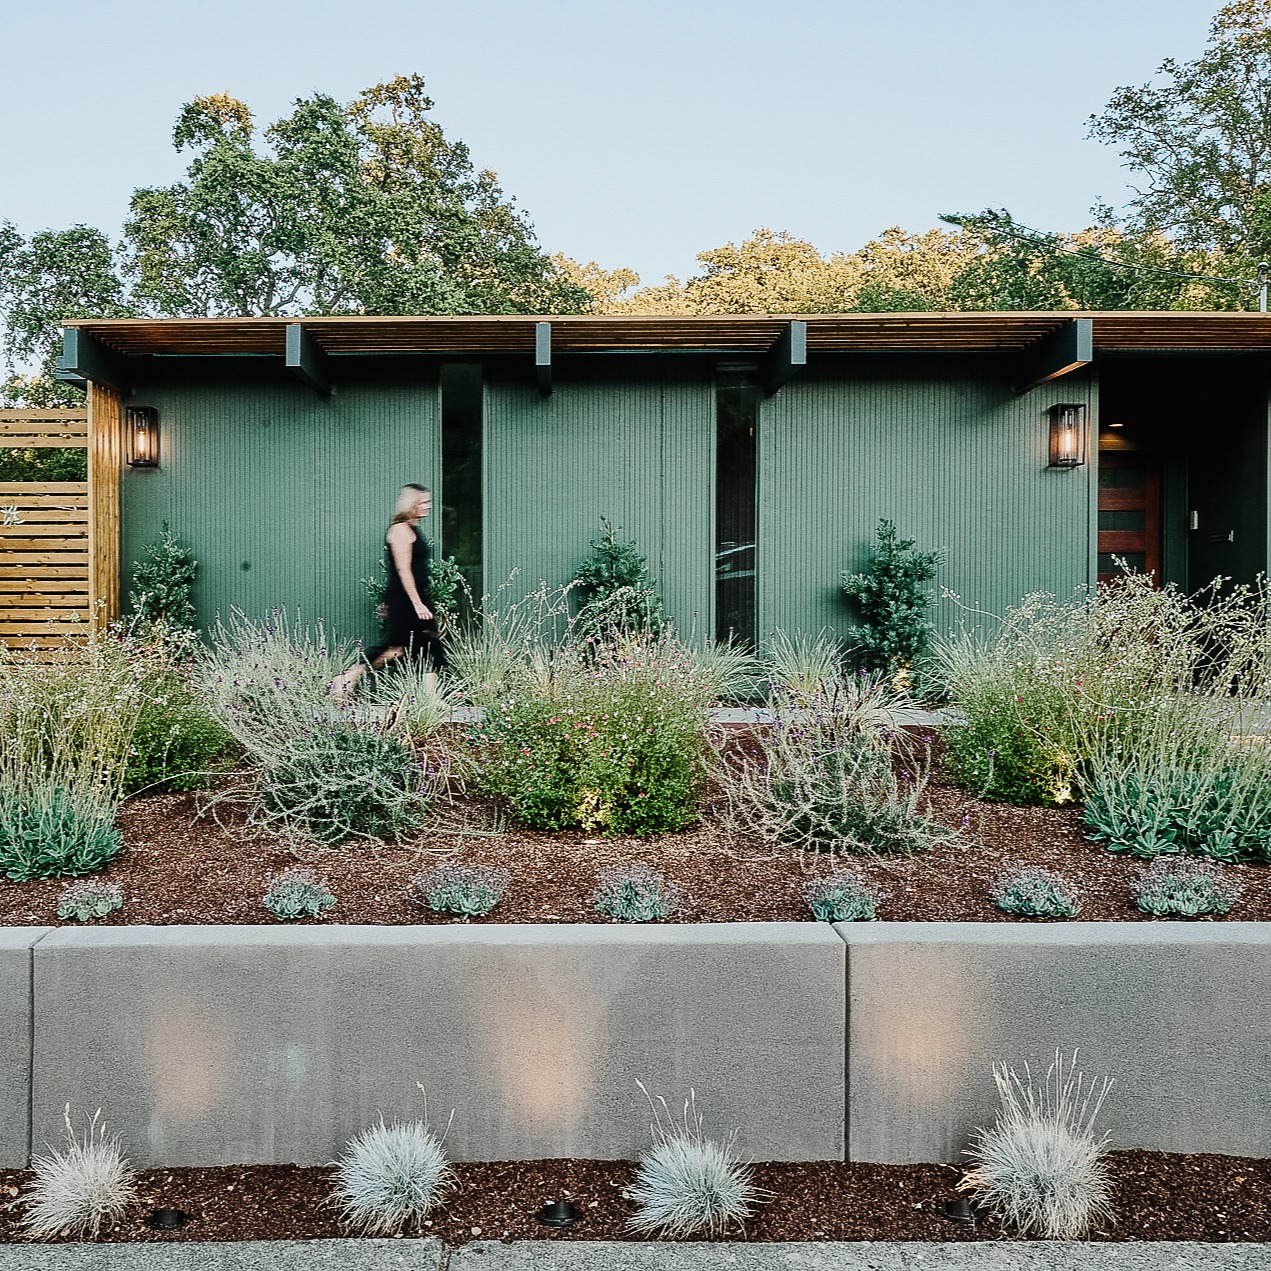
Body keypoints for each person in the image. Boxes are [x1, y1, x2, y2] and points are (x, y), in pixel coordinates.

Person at [332, 483, 445, 698]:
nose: (427, 506)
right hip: (408, 601)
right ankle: (348, 677)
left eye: (428, 502)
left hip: (413, 599)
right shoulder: (400, 530)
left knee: (429, 645)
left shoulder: (412, 528)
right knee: (396, 649)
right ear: (411, 504)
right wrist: (415, 603)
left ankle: (431, 701)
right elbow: (402, 570)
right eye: (423, 502)